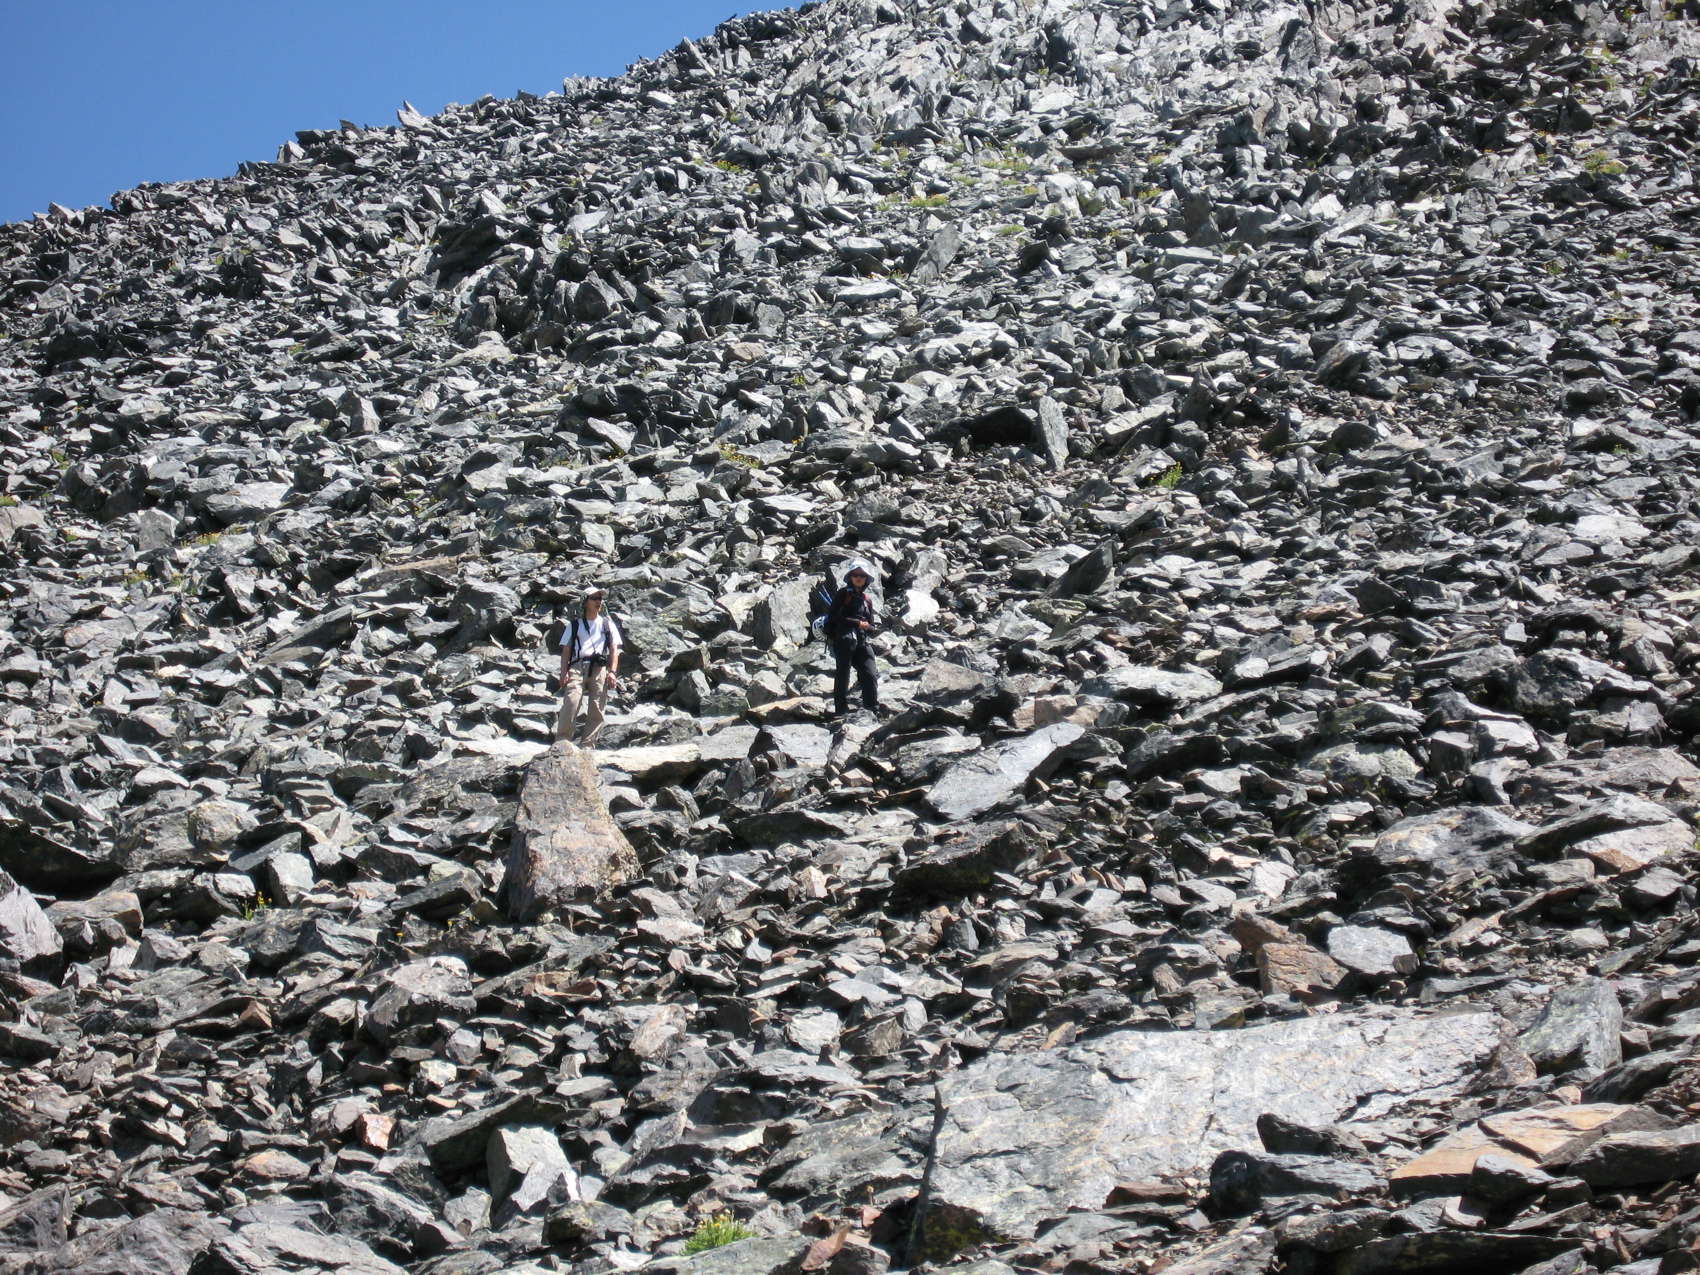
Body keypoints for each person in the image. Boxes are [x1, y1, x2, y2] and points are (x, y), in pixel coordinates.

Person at [555, 586, 622, 746]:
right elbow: (566, 650)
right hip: (577, 667)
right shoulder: (574, 625)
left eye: (600, 598)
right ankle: (562, 742)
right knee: (571, 702)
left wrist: (612, 672)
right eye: (595, 598)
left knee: (597, 708)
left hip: (599, 668)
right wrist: (563, 672)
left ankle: (588, 745)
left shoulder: (607, 624)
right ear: (585, 602)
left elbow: (614, 649)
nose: (599, 601)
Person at [827, 559, 880, 717]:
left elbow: (871, 625)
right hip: (844, 639)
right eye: (855, 574)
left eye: (862, 575)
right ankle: (840, 710)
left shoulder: (867, 600)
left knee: (870, 672)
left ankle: (872, 708)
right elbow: (833, 616)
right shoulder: (843, 594)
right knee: (843, 673)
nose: (858, 578)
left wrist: (869, 627)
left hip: (862, 641)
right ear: (850, 576)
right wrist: (857, 623)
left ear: (866, 579)